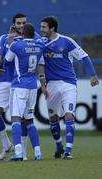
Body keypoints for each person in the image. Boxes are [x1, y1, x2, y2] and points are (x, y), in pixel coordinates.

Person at [40, 16, 99, 159]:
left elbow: (84, 57)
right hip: (51, 84)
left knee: (69, 115)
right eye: (41, 27)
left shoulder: (66, 41)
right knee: (53, 118)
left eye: (44, 27)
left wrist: (92, 75)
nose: (41, 29)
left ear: (52, 28)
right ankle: (59, 146)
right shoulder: (40, 43)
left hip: (68, 83)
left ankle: (68, 151)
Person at [5, 23, 43, 161]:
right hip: (33, 85)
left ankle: (19, 152)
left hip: (20, 85)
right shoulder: (39, 46)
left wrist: (9, 43)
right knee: (29, 120)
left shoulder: (17, 45)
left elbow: (7, 60)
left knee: (15, 118)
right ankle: (38, 152)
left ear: (23, 33)